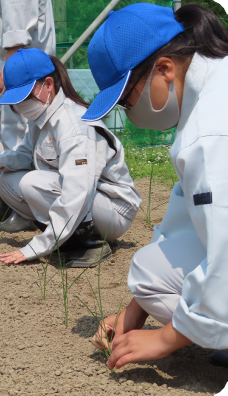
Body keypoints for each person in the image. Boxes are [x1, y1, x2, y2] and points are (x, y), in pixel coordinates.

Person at [82, 3, 228, 369]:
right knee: (149, 270)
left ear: (164, 69)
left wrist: (168, 337)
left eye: (127, 101)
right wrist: (136, 310)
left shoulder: (209, 131)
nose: (130, 115)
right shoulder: (207, 97)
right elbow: (185, 221)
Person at [0, 48, 140, 267]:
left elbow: (78, 191)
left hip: (113, 210)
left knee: (32, 183)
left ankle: (88, 244)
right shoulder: (43, 115)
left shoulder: (73, 125)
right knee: (7, 183)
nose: (21, 107)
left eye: (25, 98)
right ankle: (65, 235)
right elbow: (26, 155)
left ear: (48, 84)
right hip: (88, 201)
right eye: (16, 101)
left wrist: (36, 247)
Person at [0, 0, 57, 223]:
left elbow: (18, 22)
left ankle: (22, 208)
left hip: (25, 63)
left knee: (16, 129)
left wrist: (11, 64)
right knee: (8, 128)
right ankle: (10, 201)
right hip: (24, 61)